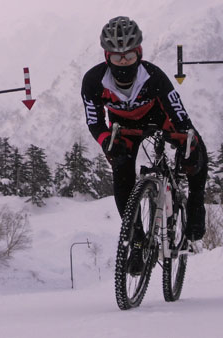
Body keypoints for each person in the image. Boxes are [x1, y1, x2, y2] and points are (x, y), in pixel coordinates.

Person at [81, 16, 208, 250]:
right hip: (124, 128)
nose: (124, 63)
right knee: (121, 172)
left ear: (139, 53)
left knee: (196, 146)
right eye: (118, 58)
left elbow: (179, 114)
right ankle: (136, 238)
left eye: (129, 56)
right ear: (107, 57)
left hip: (160, 119)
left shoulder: (154, 76)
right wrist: (106, 140)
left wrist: (188, 143)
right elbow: (94, 121)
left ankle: (196, 205)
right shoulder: (93, 81)